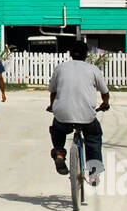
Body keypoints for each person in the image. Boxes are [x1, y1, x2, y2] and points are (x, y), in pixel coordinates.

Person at [46, 39, 110, 182]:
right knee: (93, 136)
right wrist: (105, 103)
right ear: (86, 54)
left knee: (57, 129)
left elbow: (53, 92)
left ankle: (59, 154)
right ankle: (94, 173)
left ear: (70, 54)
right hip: (87, 116)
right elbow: (104, 92)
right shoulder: (93, 69)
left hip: (63, 114)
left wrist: (52, 106)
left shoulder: (60, 68)